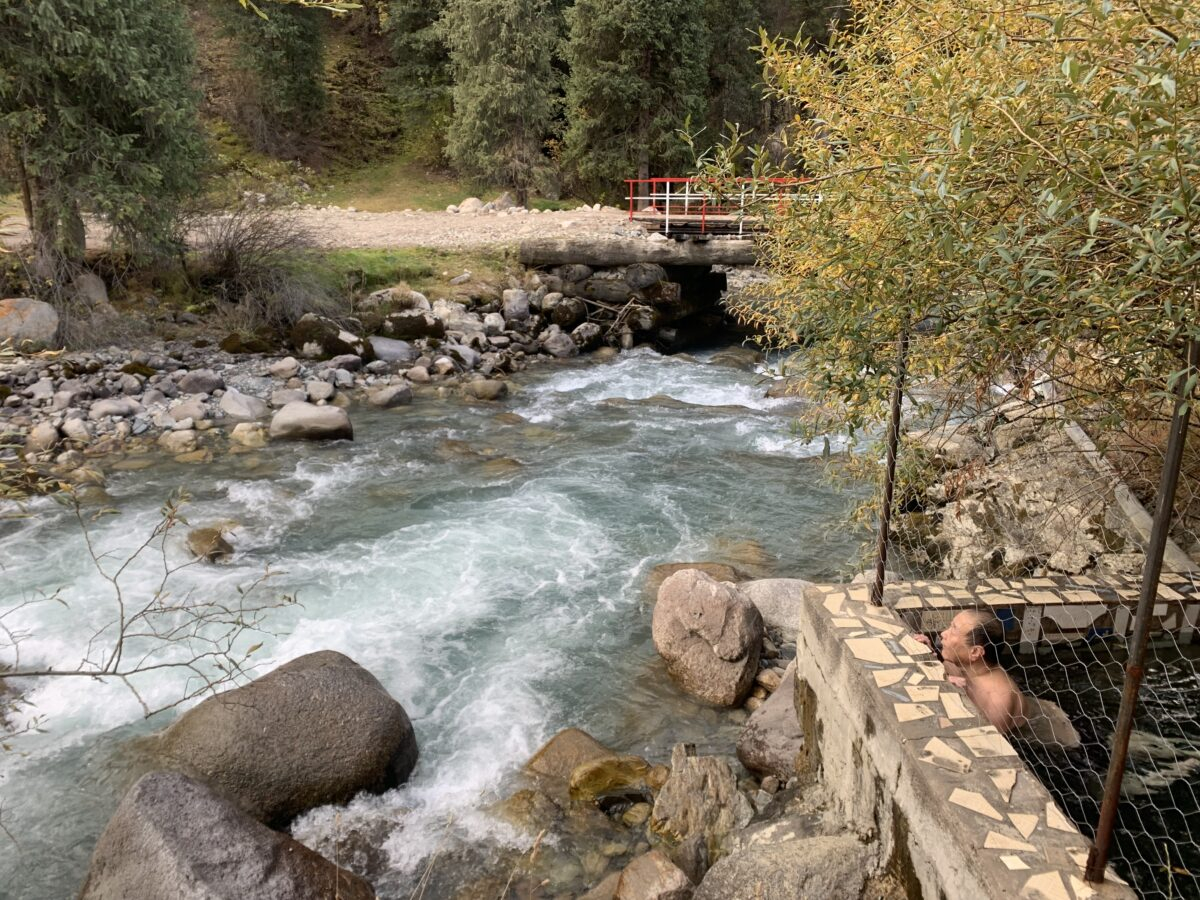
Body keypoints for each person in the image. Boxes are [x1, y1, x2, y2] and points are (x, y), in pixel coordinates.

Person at [914, 608, 1027, 733]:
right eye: (950, 626)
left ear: (975, 652)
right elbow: (947, 669)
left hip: (1019, 735)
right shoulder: (967, 664)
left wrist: (944, 688)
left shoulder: (998, 700)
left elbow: (983, 740)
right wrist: (929, 653)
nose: (943, 633)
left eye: (953, 631)